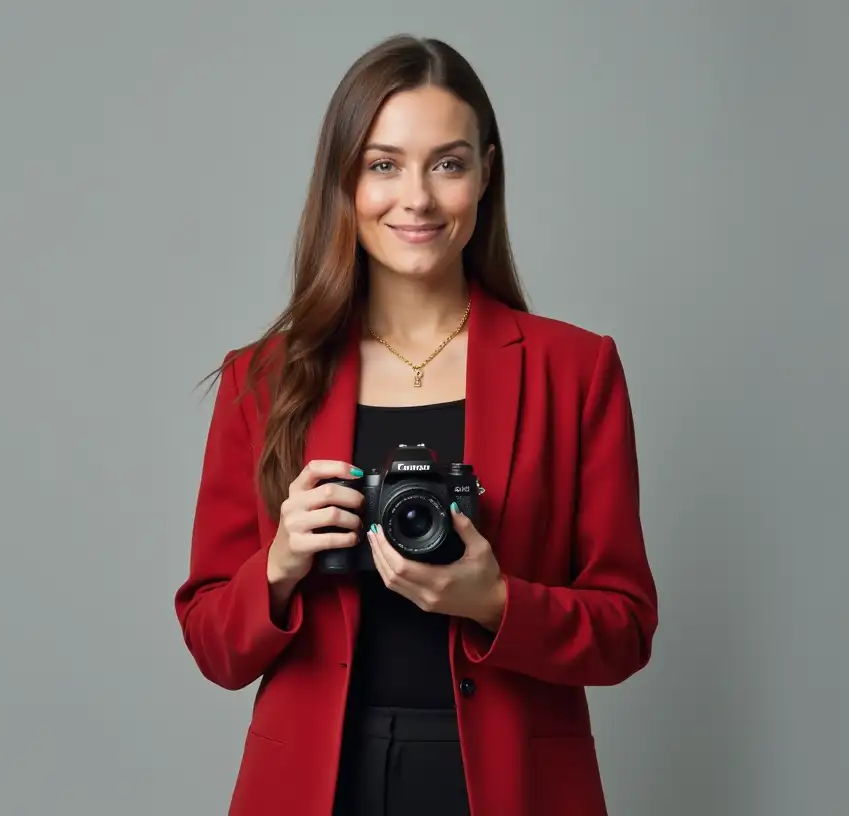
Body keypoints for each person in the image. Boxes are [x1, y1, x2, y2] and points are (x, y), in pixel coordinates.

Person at [173, 34, 659, 816]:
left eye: (448, 163)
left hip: (511, 784)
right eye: (383, 164)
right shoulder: (262, 379)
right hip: (314, 783)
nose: (418, 199)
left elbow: (626, 628)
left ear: (486, 174)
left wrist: (496, 600)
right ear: (345, 180)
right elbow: (211, 644)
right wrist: (279, 564)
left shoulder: (577, 370)